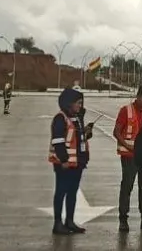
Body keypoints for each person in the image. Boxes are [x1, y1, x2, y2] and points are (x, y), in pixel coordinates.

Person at [49, 87, 90, 235]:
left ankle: (70, 221)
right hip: (64, 164)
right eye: (78, 103)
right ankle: (58, 223)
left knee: (72, 192)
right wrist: (64, 160)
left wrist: (86, 132)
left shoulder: (76, 118)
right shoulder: (60, 118)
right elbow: (58, 141)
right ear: (68, 103)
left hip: (77, 163)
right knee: (61, 192)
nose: (80, 106)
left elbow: (77, 139)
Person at [114, 84, 142, 232]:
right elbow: (117, 132)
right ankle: (123, 219)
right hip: (129, 156)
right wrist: (127, 145)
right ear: (137, 96)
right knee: (127, 186)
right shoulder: (126, 111)